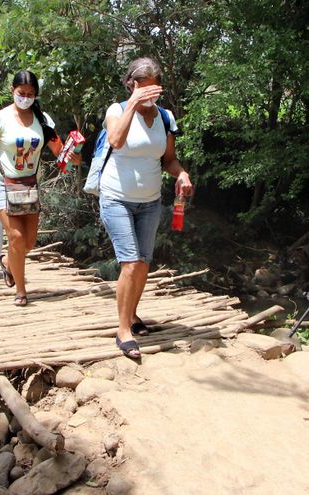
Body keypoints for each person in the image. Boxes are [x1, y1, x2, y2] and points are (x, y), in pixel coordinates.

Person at [99, 57, 193, 358]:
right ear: (131, 84)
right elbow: (115, 140)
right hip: (116, 197)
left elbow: (168, 159)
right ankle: (123, 330)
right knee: (130, 263)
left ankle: (133, 314)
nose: (151, 95)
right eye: (144, 88)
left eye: (155, 89)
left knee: (143, 263)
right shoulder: (116, 110)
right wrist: (131, 105)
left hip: (150, 201)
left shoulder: (165, 117)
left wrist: (181, 173)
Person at [0, 70, 80, 306]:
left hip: (28, 184)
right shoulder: (0, 118)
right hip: (2, 182)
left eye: (30, 94)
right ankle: (21, 291)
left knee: (29, 242)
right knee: (15, 236)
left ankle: (8, 264)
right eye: (21, 93)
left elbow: (59, 151)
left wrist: (71, 156)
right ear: (12, 91)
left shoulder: (42, 120)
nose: (25, 97)